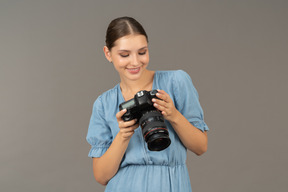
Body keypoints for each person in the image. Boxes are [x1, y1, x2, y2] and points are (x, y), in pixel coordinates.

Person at [86, 16, 209, 192]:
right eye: (124, 55)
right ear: (108, 53)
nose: (135, 62)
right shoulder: (104, 104)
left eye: (142, 52)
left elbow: (201, 147)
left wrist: (173, 115)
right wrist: (123, 135)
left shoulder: (176, 82)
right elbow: (101, 176)